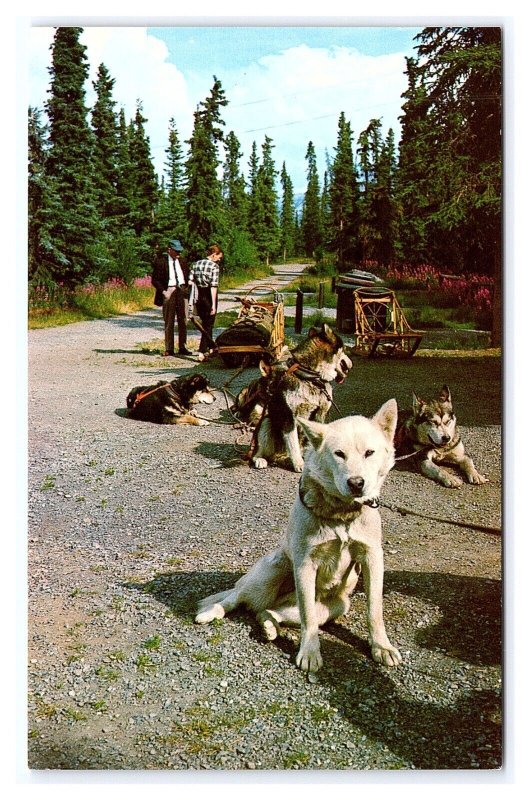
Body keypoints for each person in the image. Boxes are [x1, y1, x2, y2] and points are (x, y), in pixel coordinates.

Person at [151, 239, 193, 357]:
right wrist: (164, 292)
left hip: (182, 291)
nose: (179, 253)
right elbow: (155, 280)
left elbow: (188, 274)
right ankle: (169, 348)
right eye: (176, 251)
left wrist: (188, 283)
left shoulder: (183, 261)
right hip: (169, 291)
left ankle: (183, 347)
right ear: (169, 250)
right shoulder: (161, 262)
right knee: (169, 321)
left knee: (183, 320)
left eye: (180, 251)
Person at [188, 244, 224, 360]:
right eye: (219, 257)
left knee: (205, 322)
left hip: (199, 295)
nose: (219, 259)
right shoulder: (214, 267)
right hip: (209, 295)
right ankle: (202, 352)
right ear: (214, 254)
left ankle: (210, 348)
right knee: (208, 324)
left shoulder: (196, 264)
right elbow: (214, 286)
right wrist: (213, 304)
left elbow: (190, 281)